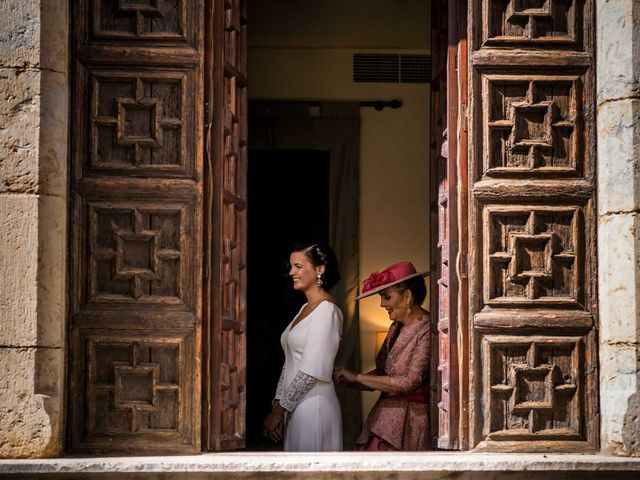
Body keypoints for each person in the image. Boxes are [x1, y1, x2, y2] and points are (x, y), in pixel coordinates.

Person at [334, 261, 430, 451]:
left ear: (407, 296)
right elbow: (382, 372)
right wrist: (350, 380)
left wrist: (359, 377)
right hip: (384, 417)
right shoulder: (396, 327)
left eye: (387, 297)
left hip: (409, 421)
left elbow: (408, 382)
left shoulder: (427, 328)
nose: (382, 304)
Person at [262, 242, 343, 451]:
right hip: (295, 407)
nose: (291, 272)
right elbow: (289, 363)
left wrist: (279, 412)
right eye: (291, 266)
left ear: (319, 269)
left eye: (298, 266)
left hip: (314, 407)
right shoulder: (305, 308)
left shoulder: (327, 311)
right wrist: (277, 405)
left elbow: (310, 372)